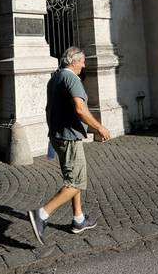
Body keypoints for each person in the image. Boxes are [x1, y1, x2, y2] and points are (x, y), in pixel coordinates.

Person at [28, 46, 111, 244]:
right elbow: (80, 109)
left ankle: (78, 219)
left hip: (58, 136)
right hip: (69, 138)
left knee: (73, 177)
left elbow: (48, 109)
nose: (84, 65)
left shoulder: (55, 78)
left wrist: (53, 131)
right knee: (77, 182)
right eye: (82, 61)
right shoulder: (71, 79)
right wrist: (100, 127)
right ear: (73, 61)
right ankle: (41, 214)